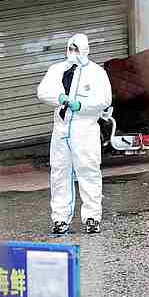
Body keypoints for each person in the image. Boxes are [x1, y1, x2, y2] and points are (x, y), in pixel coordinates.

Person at [37, 33, 112, 235]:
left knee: (88, 172)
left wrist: (81, 105)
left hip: (85, 129)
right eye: (70, 48)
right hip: (61, 129)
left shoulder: (96, 73)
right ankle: (60, 219)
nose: (72, 53)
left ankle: (92, 218)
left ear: (86, 50)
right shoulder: (57, 70)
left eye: (76, 49)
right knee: (59, 173)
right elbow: (43, 91)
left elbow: (104, 100)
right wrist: (59, 98)